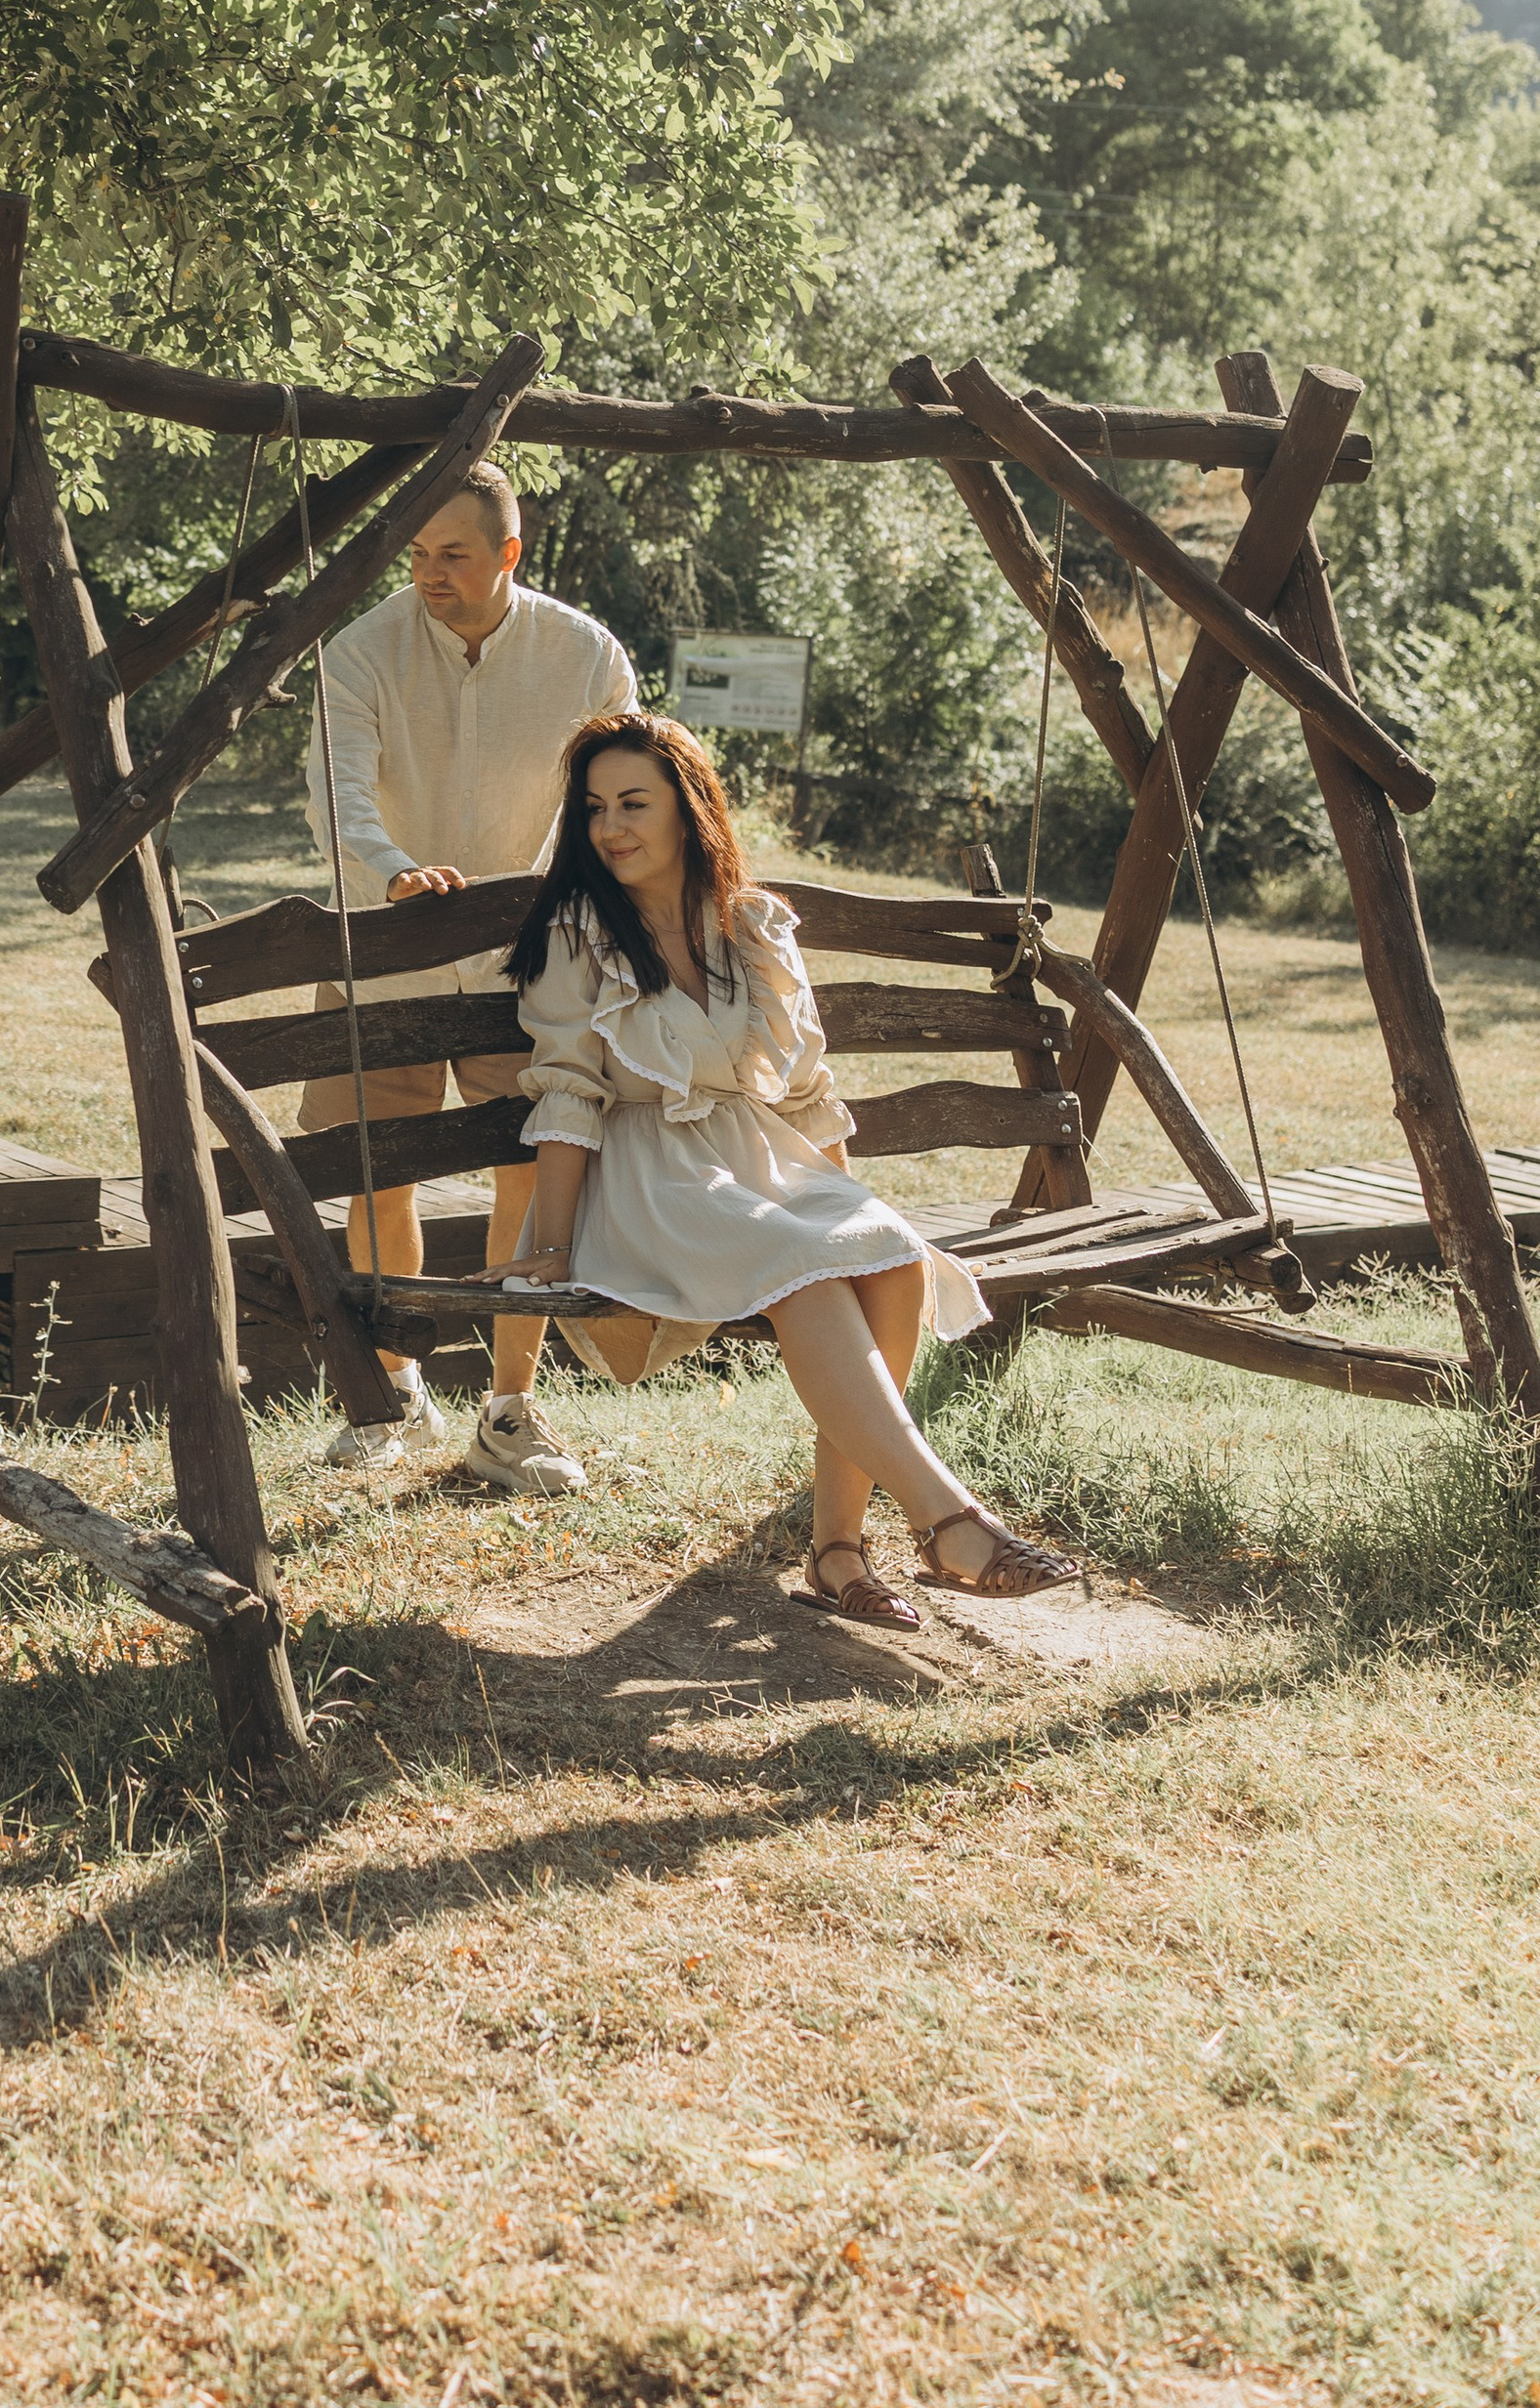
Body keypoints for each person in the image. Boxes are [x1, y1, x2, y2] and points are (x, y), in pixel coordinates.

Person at [500, 711, 1081, 1617]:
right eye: (595, 809)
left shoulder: (752, 926)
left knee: (884, 1257)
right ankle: (951, 1521)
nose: (610, 828)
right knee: (806, 1271)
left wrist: (846, 1200)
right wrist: (552, 1244)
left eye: (633, 804)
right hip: (645, 1176)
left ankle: (839, 1555)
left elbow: (807, 1087)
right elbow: (569, 1096)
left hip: (752, 1163)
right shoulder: (576, 938)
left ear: (689, 810)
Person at [301, 459, 636, 1495]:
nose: (429, 574)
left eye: (452, 554)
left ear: (508, 554)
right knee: (373, 1166)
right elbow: (337, 793)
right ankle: (392, 1387)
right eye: (416, 554)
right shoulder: (360, 651)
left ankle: (508, 1406)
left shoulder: (583, 655)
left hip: (528, 958)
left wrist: (540, 910)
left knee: (530, 1169)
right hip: (383, 944)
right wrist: (394, 871)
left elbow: (618, 797)